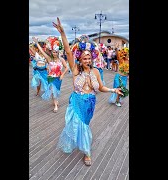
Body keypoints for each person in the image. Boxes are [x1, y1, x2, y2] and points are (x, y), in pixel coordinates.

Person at [52, 17, 123, 166]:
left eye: (89, 57)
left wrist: (113, 89)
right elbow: (67, 52)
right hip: (77, 100)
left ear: (92, 58)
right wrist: (63, 33)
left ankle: (84, 146)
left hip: (90, 103)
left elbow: (101, 87)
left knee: (84, 124)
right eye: (84, 58)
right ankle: (87, 152)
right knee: (80, 125)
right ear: (80, 59)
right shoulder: (75, 69)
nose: (87, 60)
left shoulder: (96, 71)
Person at [32, 36, 68, 113]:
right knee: (52, 89)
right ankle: (55, 105)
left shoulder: (61, 59)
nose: (54, 53)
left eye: (56, 52)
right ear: (51, 52)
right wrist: (37, 43)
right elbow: (41, 51)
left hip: (58, 78)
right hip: (50, 77)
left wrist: (62, 75)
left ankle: (55, 100)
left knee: (56, 90)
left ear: (58, 52)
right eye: (53, 52)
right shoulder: (49, 59)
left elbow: (66, 68)